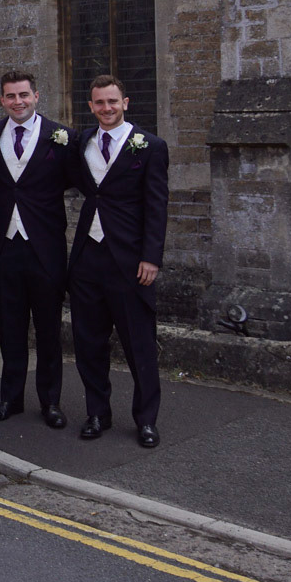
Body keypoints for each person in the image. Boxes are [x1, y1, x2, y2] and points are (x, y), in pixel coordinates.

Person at [67, 75, 168, 448]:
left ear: (125, 103)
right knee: (89, 342)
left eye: (112, 101)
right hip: (87, 258)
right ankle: (98, 413)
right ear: (91, 106)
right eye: (99, 102)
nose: (106, 108)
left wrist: (151, 258)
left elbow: (157, 206)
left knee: (139, 344)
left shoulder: (150, 146)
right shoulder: (81, 142)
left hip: (130, 261)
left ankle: (146, 420)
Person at [0, 70, 71, 430]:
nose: (18, 102)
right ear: (2, 100)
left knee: (48, 330)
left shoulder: (61, 136)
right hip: (5, 246)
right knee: (9, 327)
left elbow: (73, 177)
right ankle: (10, 399)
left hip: (45, 248)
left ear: (36, 96)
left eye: (24, 95)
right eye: (11, 96)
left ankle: (51, 401)